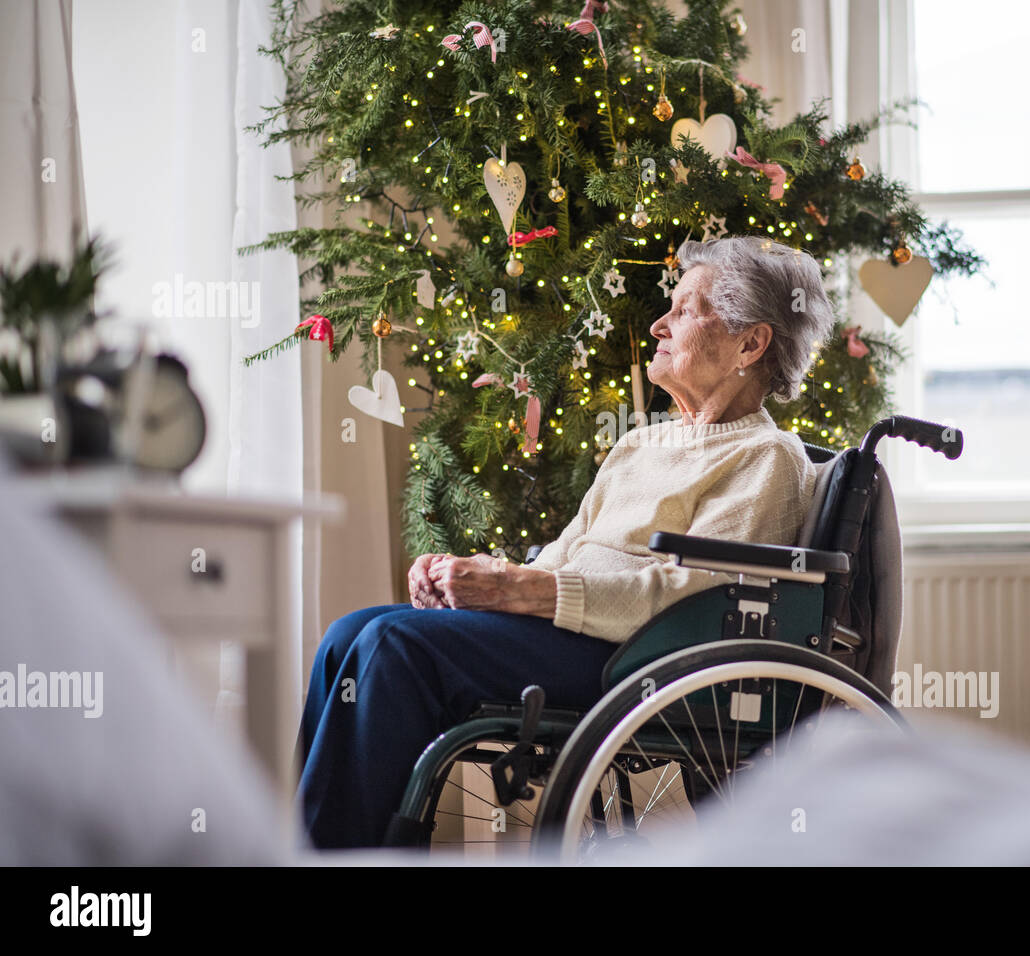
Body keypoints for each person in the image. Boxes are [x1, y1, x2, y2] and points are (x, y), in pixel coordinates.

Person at [296, 236, 837, 848]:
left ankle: (338, 858)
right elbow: (567, 551)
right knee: (348, 636)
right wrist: (483, 580)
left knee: (391, 646)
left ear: (750, 343)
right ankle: (311, 851)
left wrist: (525, 591)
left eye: (686, 310)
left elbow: (695, 599)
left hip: (636, 660)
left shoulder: (766, 457)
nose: (659, 323)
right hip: (569, 634)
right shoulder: (640, 445)